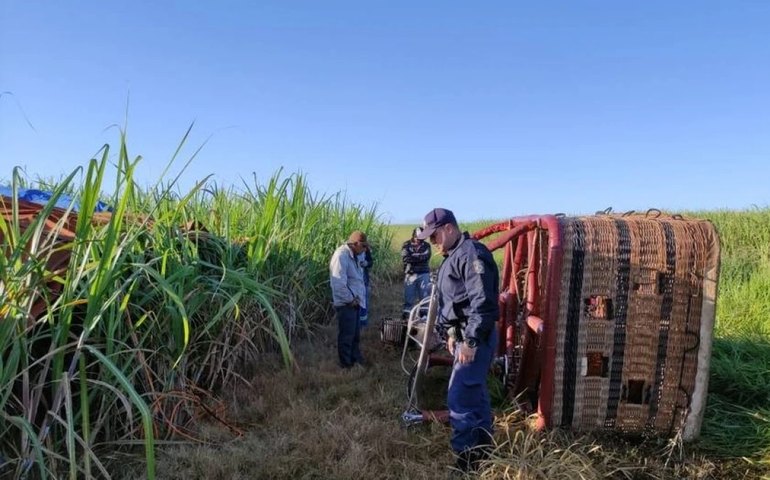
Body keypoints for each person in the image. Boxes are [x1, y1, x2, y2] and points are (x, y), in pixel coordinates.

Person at [416, 208, 499, 473]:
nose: (433, 243)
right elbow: (455, 302)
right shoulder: (453, 255)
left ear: (449, 228)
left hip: (476, 336)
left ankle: (467, 462)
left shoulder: (472, 255)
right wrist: (453, 334)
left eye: (435, 236)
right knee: (475, 392)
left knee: (459, 397)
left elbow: (482, 303)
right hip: (464, 334)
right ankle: (484, 448)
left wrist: (471, 341)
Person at [329, 230, 369, 368]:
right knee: (346, 336)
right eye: (363, 246)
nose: (365, 249)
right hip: (346, 303)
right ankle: (346, 365)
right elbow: (338, 283)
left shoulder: (355, 254)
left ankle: (356, 359)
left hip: (355, 301)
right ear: (356, 244)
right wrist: (351, 299)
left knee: (355, 335)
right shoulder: (341, 256)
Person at [400, 227, 432, 319]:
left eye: (422, 239)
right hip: (410, 275)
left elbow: (426, 257)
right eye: (418, 238)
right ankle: (406, 317)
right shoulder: (406, 245)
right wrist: (419, 257)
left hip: (424, 274)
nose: (419, 241)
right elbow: (405, 258)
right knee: (409, 298)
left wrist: (413, 256)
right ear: (413, 236)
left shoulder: (427, 245)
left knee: (425, 297)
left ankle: (424, 317)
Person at [358, 245, 373, 327]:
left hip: (364, 282)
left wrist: (367, 263)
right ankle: (357, 324)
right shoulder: (350, 253)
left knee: (365, 303)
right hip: (355, 284)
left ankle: (363, 325)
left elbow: (371, 262)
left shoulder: (366, 250)